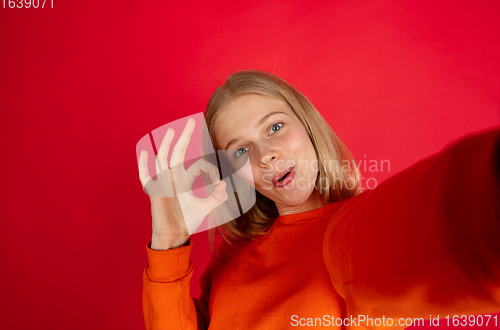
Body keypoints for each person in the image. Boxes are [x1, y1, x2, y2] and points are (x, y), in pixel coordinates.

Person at [138, 70, 500, 329]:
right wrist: (168, 244)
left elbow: (458, 218)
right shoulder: (231, 256)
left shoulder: (360, 230)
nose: (265, 156)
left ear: (309, 125)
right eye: (240, 151)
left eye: (276, 127)